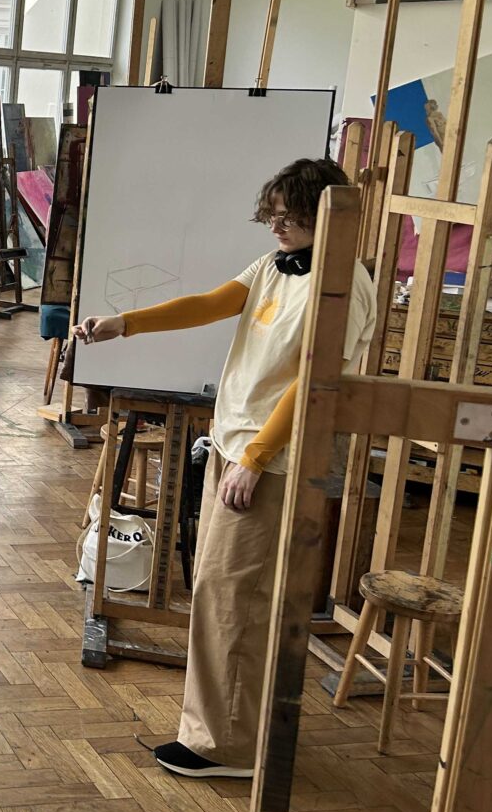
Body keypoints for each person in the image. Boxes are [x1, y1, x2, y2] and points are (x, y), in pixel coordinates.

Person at [72, 158, 376, 780]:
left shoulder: (346, 285)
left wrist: (257, 458)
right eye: (272, 216)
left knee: (236, 600)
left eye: (288, 217)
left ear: (322, 213)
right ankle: (221, 731)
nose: (276, 227)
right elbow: (209, 304)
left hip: (273, 462)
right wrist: (125, 325)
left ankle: (228, 747)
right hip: (235, 447)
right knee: (219, 593)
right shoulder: (276, 266)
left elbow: (314, 383)